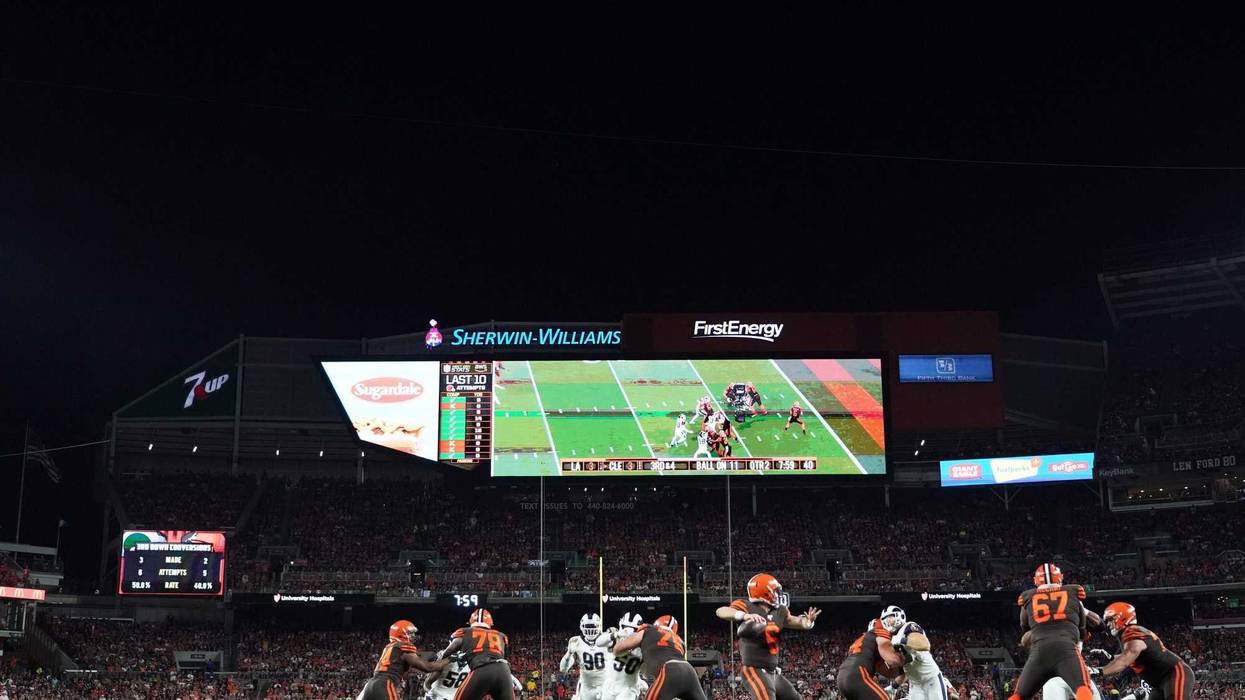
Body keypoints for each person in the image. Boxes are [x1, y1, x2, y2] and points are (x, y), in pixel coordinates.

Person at [715, 573, 820, 700]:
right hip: (754, 669)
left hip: (774, 672)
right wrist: (743, 615)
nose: (777, 594)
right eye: (775, 591)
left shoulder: (780, 611)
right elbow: (721, 611)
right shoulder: (747, 606)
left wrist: (807, 622)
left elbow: (794, 621)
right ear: (765, 593)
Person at [1008, 563, 1095, 700]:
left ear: (1036, 580)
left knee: (1019, 695)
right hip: (1065, 649)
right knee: (1083, 688)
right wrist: (1083, 634)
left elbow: (1024, 628)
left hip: (1039, 650)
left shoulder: (1028, 598)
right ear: (1060, 578)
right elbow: (1083, 629)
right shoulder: (1072, 593)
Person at [1092, 602, 1193, 700]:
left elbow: (1125, 659)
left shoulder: (1132, 631)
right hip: (1159, 682)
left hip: (1173, 673)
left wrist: (1099, 671)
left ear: (1123, 617)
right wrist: (1111, 657)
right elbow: (1131, 656)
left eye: (1111, 620)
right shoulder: (1128, 635)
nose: (1109, 625)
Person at [602, 615, 705, 700]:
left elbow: (618, 649)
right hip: (690, 671)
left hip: (670, 670)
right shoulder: (680, 641)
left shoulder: (648, 629)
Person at [360, 620, 449, 700]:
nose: (413, 636)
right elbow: (428, 667)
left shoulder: (390, 647)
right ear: (400, 634)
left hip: (370, 685)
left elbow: (402, 669)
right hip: (384, 684)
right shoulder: (404, 646)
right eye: (410, 633)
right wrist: (450, 659)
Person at [438, 609, 515, 700]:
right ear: (490, 623)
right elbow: (504, 658)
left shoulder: (465, 632)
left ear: (471, 622)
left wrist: (440, 664)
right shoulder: (501, 636)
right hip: (504, 671)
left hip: (482, 668)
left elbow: (448, 651)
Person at [835, 606, 906, 700]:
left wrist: (902, 671)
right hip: (857, 673)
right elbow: (892, 660)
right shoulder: (880, 630)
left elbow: (886, 672)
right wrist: (905, 658)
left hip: (843, 678)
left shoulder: (867, 644)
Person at [890, 621, 959, 700]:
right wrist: (892, 687)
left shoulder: (910, 637)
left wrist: (903, 640)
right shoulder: (899, 653)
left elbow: (925, 645)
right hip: (915, 685)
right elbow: (903, 674)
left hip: (931, 680)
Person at [561, 613, 609, 700]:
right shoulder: (576, 641)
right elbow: (563, 668)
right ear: (582, 626)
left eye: (593, 626)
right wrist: (569, 653)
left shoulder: (606, 638)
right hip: (586, 686)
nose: (590, 629)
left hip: (605, 684)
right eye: (588, 626)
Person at [604, 613, 649, 700]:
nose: (628, 631)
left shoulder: (642, 649)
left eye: (633, 629)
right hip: (611, 685)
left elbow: (644, 673)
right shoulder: (614, 638)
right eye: (625, 627)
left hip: (628, 688)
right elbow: (599, 643)